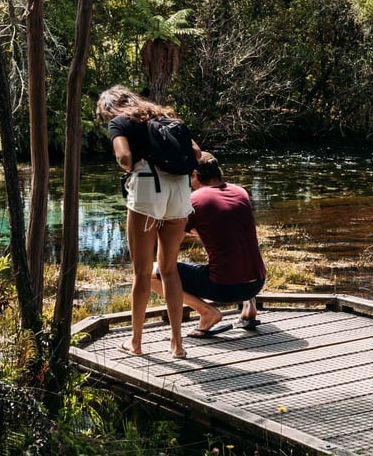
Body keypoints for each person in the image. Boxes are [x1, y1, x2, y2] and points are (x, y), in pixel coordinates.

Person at [96, 85, 199, 359]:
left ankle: (136, 342)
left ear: (109, 108)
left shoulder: (120, 122)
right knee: (169, 269)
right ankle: (177, 345)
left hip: (147, 189)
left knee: (142, 272)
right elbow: (197, 155)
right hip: (179, 191)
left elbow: (124, 157)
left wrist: (133, 171)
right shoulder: (167, 116)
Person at [152, 153, 266, 338]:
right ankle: (249, 308)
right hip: (256, 283)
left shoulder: (195, 199)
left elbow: (172, 240)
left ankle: (207, 313)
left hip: (224, 288)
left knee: (153, 273)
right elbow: (225, 227)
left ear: (195, 175)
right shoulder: (240, 192)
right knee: (240, 245)